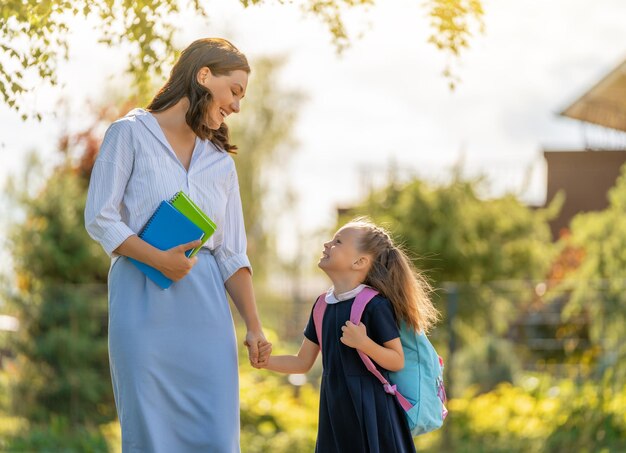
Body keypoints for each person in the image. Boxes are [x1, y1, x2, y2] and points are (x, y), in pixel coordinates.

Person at [84, 38, 271, 452]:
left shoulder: (220, 161)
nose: (237, 106)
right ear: (204, 75)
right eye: (234, 91)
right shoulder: (128, 134)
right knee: (151, 434)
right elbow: (100, 216)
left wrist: (254, 326)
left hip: (206, 310)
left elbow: (230, 252)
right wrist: (158, 259)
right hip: (141, 298)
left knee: (217, 438)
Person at [256, 218, 439, 453]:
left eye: (337, 242)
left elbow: (396, 359)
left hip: (373, 413)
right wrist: (266, 362)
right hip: (336, 411)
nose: (326, 244)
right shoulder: (322, 305)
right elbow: (302, 362)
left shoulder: (374, 305)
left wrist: (363, 343)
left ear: (359, 261)